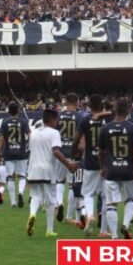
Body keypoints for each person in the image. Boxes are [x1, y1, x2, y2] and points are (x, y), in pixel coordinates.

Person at [26, 109, 77, 238]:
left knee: (35, 195)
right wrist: (68, 164)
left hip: (33, 169)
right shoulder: (55, 133)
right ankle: (49, 229)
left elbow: (30, 150)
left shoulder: (34, 133)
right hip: (47, 169)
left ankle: (32, 214)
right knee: (51, 200)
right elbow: (56, 151)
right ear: (53, 120)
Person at [98, 99, 133, 240]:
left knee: (111, 204)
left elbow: (101, 151)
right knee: (131, 199)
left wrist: (102, 167)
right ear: (128, 111)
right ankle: (125, 224)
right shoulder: (132, 127)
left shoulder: (105, 128)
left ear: (114, 111)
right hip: (128, 169)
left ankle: (115, 236)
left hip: (111, 170)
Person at [71, 94, 109, 235]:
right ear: (102, 105)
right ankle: (104, 231)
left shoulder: (85, 120)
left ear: (90, 106)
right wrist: (104, 113)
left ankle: (90, 215)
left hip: (90, 162)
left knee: (88, 194)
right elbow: (119, 113)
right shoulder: (108, 119)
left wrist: (73, 153)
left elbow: (76, 139)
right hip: (106, 164)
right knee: (105, 197)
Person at [0, 102, 30, 208]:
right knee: (22, 176)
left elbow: (1, 139)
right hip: (21, 152)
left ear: (8, 111)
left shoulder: (5, 123)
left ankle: (13, 202)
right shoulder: (24, 122)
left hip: (8, 152)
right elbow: (30, 136)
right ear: (18, 111)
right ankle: (20, 192)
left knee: (10, 177)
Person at [57, 93, 83, 223]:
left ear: (65, 102)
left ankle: (60, 202)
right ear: (77, 103)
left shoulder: (58, 116)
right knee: (73, 185)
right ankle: (69, 215)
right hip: (74, 154)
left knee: (59, 182)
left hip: (60, 154)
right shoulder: (79, 116)